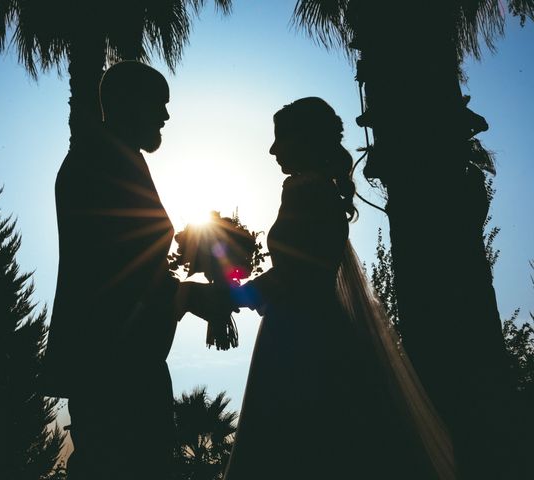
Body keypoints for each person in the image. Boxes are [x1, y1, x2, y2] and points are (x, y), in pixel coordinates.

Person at [223, 97, 456, 479]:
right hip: (300, 327)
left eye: (281, 138)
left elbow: (299, 276)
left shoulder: (309, 193)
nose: (273, 149)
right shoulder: (315, 191)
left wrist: (231, 296)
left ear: (305, 140)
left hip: (301, 338)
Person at [40, 61, 215, 480]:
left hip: (124, 357)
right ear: (124, 104)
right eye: (158, 105)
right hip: (113, 363)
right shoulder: (99, 160)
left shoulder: (116, 156)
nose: (165, 117)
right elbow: (120, 271)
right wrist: (188, 295)